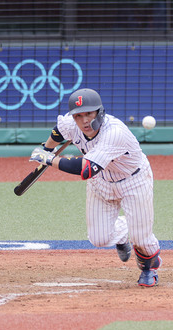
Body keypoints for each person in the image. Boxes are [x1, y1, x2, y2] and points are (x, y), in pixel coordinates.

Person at [29, 88, 161, 287]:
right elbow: (59, 131)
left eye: (89, 114)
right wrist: (47, 148)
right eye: (78, 115)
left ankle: (149, 268)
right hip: (101, 183)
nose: (84, 121)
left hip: (133, 181)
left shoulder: (114, 132)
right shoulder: (72, 124)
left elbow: (86, 169)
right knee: (98, 238)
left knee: (142, 238)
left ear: (100, 112)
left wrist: (49, 159)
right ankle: (124, 231)